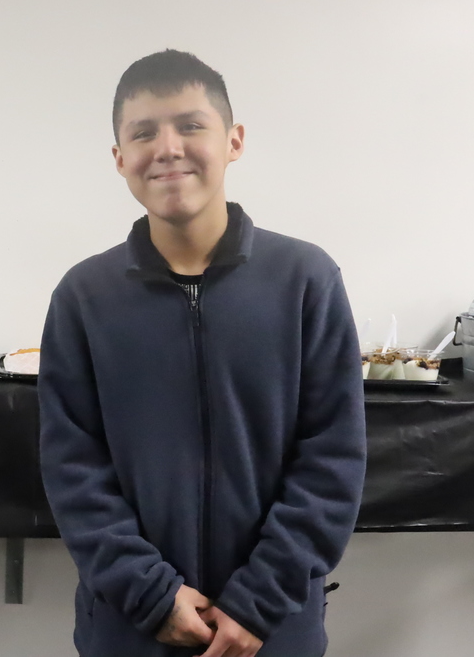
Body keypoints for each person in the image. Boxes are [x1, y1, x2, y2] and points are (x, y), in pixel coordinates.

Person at [38, 50, 366, 657]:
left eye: (191, 125)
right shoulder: (85, 296)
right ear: (119, 158)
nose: (167, 148)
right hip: (131, 629)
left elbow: (332, 456)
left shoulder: (306, 280)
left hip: (274, 630)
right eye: (143, 133)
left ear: (233, 140)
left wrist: (260, 602)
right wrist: (152, 595)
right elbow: (73, 466)